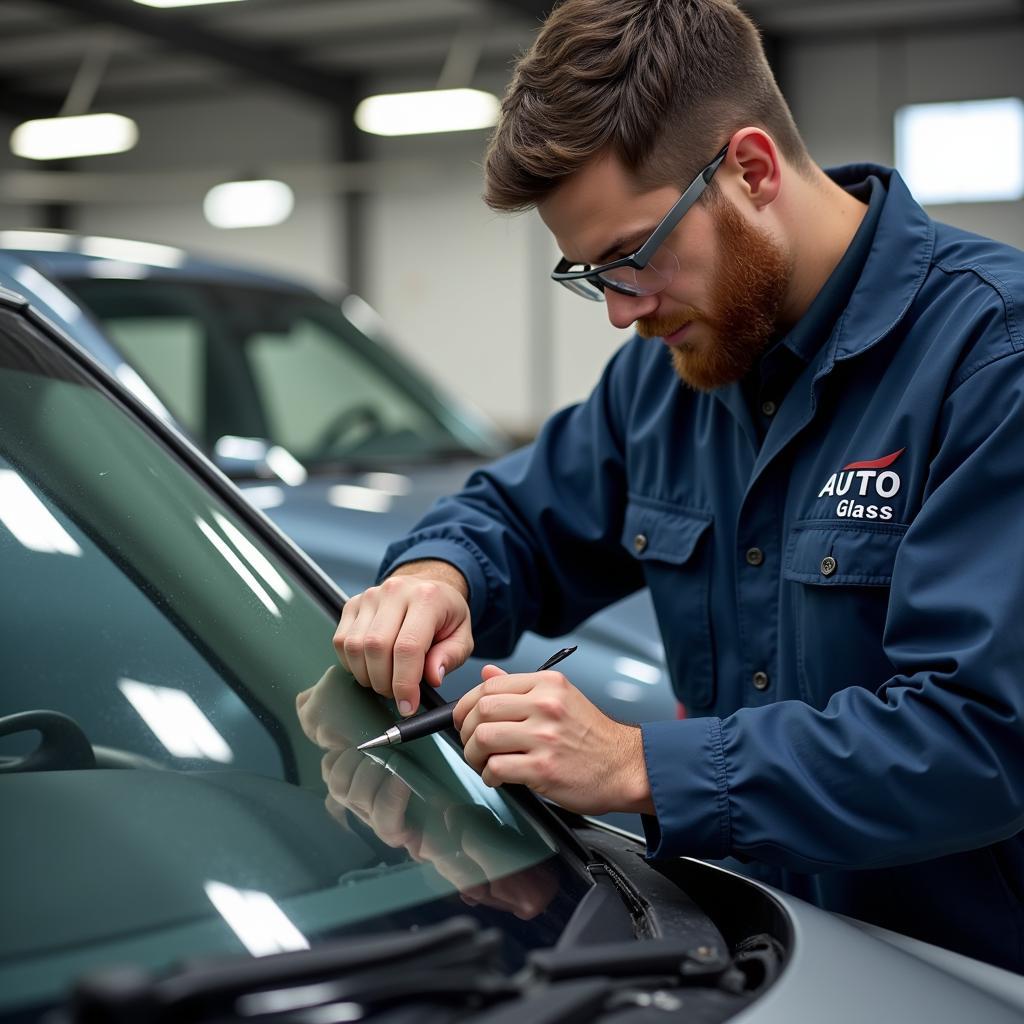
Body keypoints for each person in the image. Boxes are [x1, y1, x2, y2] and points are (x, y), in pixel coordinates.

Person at [334, 0, 1024, 971]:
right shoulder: (672, 373)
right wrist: (438, 575)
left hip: (963, 973)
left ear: (749, 168)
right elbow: (516, 520)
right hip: (763, 950)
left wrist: (635, 764)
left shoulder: (991, 359)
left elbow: (983, 739)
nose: (621, 312)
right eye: (589, 274)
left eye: (634, 256)